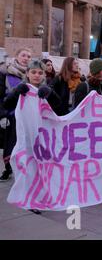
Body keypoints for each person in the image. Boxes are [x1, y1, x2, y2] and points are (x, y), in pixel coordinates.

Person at [72, 59, 102, 205]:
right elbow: (77, 109)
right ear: (97, 71)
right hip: (87, 131)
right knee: (87, 162)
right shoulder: (83, 86)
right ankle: (83, 189)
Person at [1, 60, 61, 183]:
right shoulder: (22, 89)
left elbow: (58, 106)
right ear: (27, 73)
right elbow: (7, 104)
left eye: (40, 73)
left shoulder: (47, 88)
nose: (37, 75)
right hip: (24, 132)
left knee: (41, 159)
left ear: (44, 75)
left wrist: (51, 94)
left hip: (43, 132)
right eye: (33, 72)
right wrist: (16, 92)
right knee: (24, 158)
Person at [0, 48, 32, 181]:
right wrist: (2, 115)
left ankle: (25, 169)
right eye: (23, 55)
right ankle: (8, 168)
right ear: (17, 56)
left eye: (29, 56)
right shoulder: (5, 73)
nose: (26, 58)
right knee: (10, 143)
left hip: (27, 115)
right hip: (11, 114)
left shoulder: (32, 74)